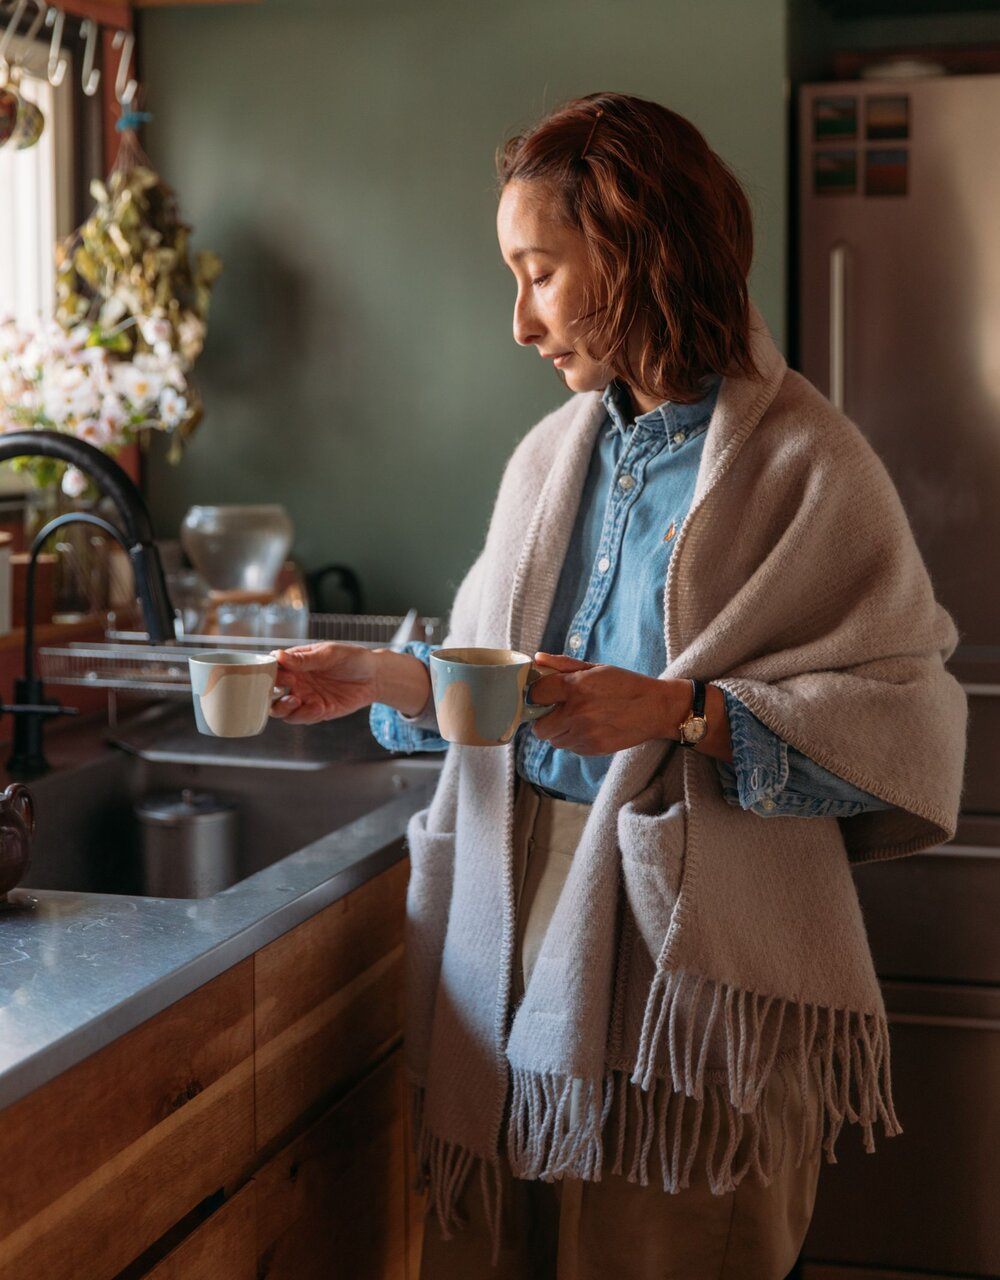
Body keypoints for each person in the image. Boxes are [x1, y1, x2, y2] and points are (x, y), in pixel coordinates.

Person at [271, 93, 966, 1280]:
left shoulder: (807, 462)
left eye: (538, 271)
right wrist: (391, 677)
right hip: (511, 935)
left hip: (682, 979)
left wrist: (685, 714)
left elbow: (907, 722)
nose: (518, 319)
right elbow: (506, 689)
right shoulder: (550, 455)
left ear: (635, 250)